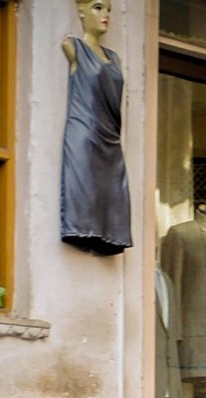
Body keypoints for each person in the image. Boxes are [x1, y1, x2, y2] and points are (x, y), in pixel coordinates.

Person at [60, 0, 133, 254]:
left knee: (113, 200)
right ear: (81, 11)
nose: (105, 15)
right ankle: (81, 229)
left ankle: (109, 237)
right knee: (83, 197)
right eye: (98, 7)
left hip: (111, 141)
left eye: (109, 10)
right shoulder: (73, 47)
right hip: (85, 136)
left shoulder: (115, 58)